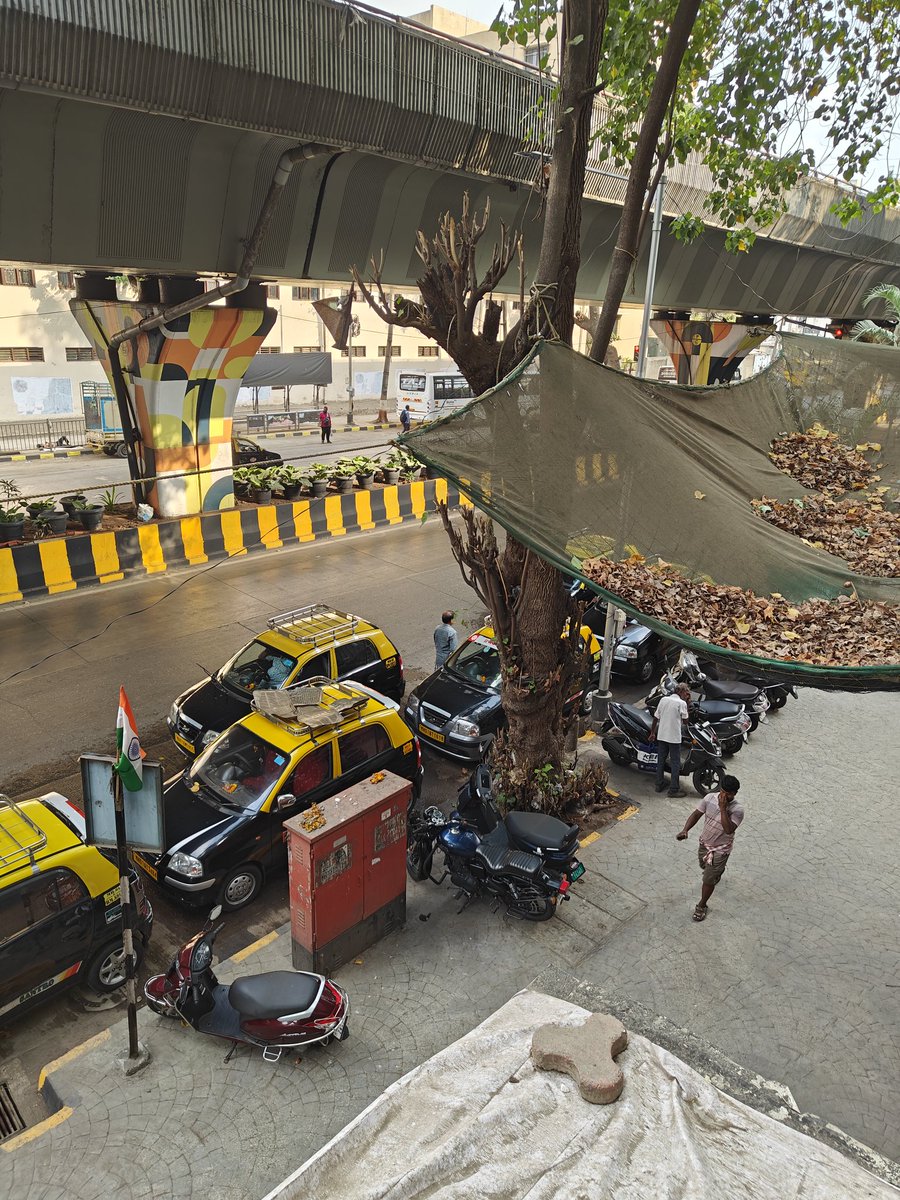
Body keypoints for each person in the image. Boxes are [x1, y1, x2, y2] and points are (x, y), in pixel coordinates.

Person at [676, 776, 744, 922]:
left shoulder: (737, 810)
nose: (723, 796)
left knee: (708, 880)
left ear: (734, 794)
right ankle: (716, 872)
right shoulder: (709, 798)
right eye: (722, 791)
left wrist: (723, 808)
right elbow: (696, 814)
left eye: (728, 794)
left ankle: (702, 905)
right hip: (705, 844)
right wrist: (685, 829)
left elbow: (728, 829)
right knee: (704, 866)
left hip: (720, 850)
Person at [649, 683, 691, 797]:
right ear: (681, 692)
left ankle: (659, 784)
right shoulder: (681, 703)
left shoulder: (663, 700)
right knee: (675, 763)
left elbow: (656, 718)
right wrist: (688, 703)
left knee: (661, 760)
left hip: (662, 735)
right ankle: (673, 789)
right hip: (674, 738)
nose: (686, 695)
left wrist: (652, 733)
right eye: (686, 692)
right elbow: (686, 721)